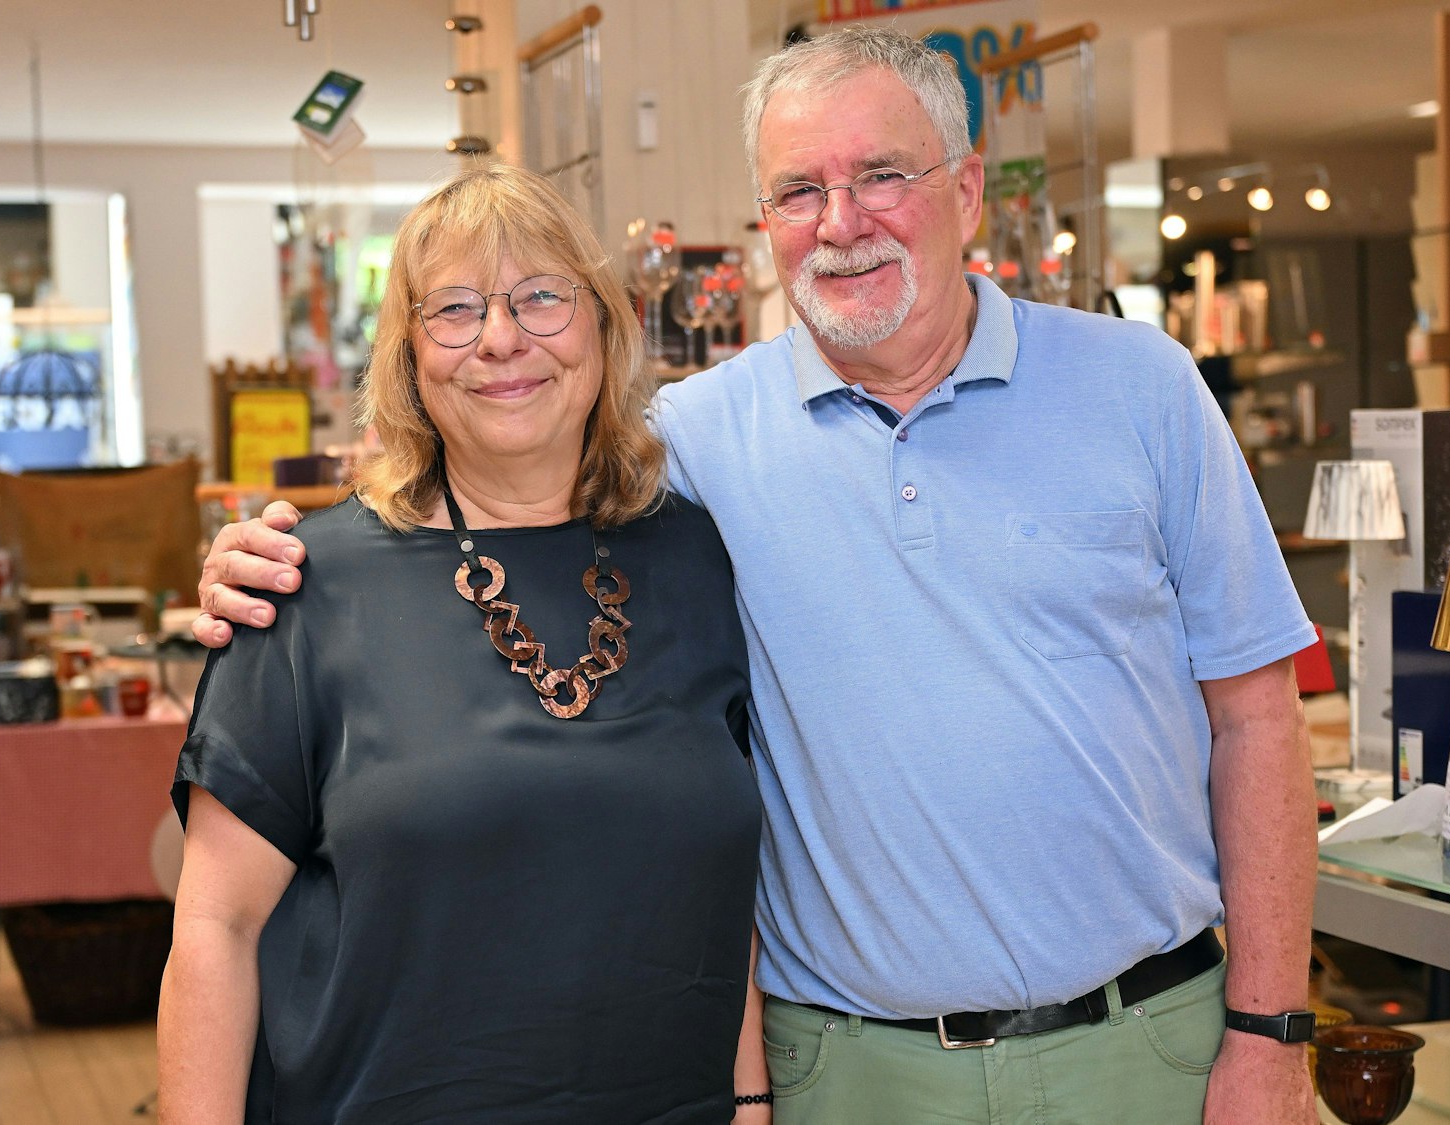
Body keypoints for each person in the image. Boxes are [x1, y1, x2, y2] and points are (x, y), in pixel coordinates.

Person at [197, 26, 1323, 1125]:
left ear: (966, 189)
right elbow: (503, 447)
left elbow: (1256, 720)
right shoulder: (688, 446)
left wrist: (1271, 1034)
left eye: (881, 174)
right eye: (796, 192)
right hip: (845, 1075)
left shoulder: (1142, 389)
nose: (839, 224)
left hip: (1145, 1052)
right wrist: (272, 559)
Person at [159, 163, 765, 1124]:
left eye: (541, 297)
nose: (501, 339)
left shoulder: (695, 556)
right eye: (453, 309)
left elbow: (726, 881)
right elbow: (215, 927)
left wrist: (750, 1095)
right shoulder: (301, 590)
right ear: (408, 359)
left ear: (604, 326)